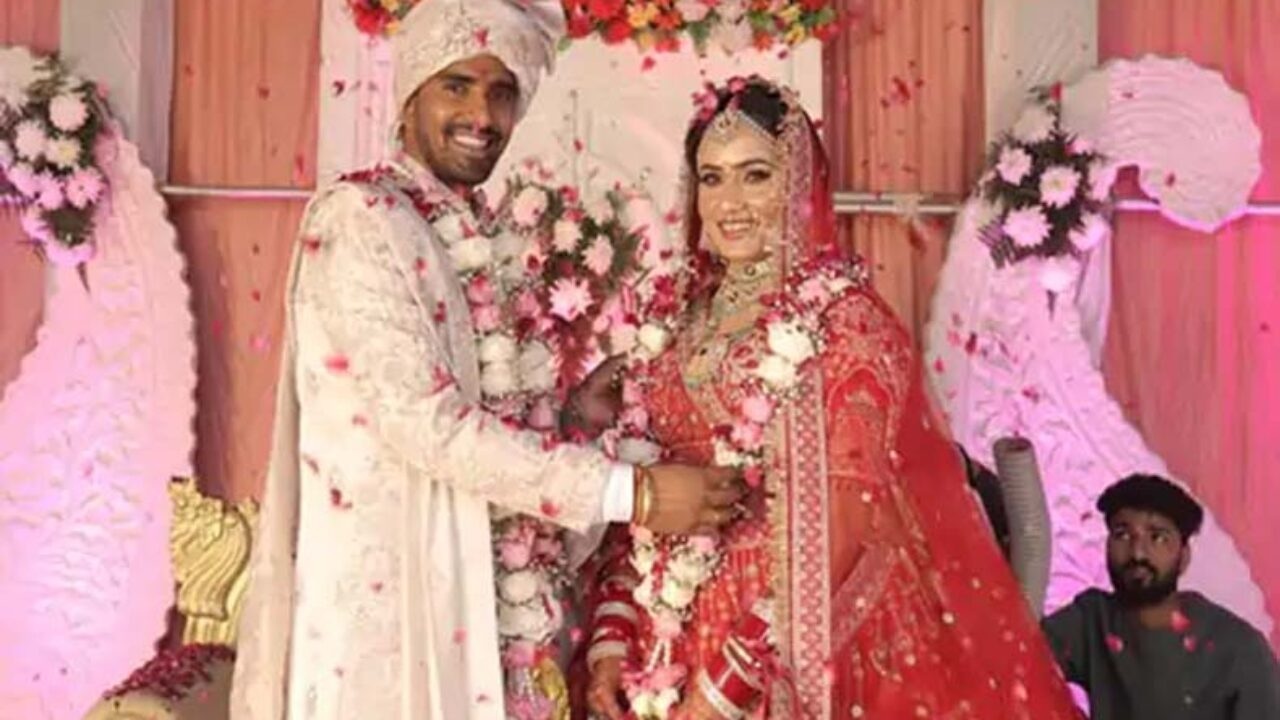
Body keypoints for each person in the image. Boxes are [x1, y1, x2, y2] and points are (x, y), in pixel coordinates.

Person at [228, 2, 743, 718]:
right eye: (458, 86)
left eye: (502, 92)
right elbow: (426, 425)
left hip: (483, 608)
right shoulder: (361, 221)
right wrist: (636, 494)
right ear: (412, 92)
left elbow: (490, 416)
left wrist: (576, 414)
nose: (482, 115)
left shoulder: (482, 232)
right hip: (396, 617)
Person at [580, 76, 1082, 719]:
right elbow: (640, 494)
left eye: (755, 175)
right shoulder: (669, 327)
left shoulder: (846, 324)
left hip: (806, 638)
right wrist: (613, 642)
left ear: (798, 184)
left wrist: (725, 688)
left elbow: (852, 525)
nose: (730, 202)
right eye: (712, 178)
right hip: (673, 639)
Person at [1042, 474, 1280, 720]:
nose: (1137, 553)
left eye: (1157, 537)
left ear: (1184, 556)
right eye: (1122, 534)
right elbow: (1023, 658)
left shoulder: (1239, 649)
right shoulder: (1091, 621)